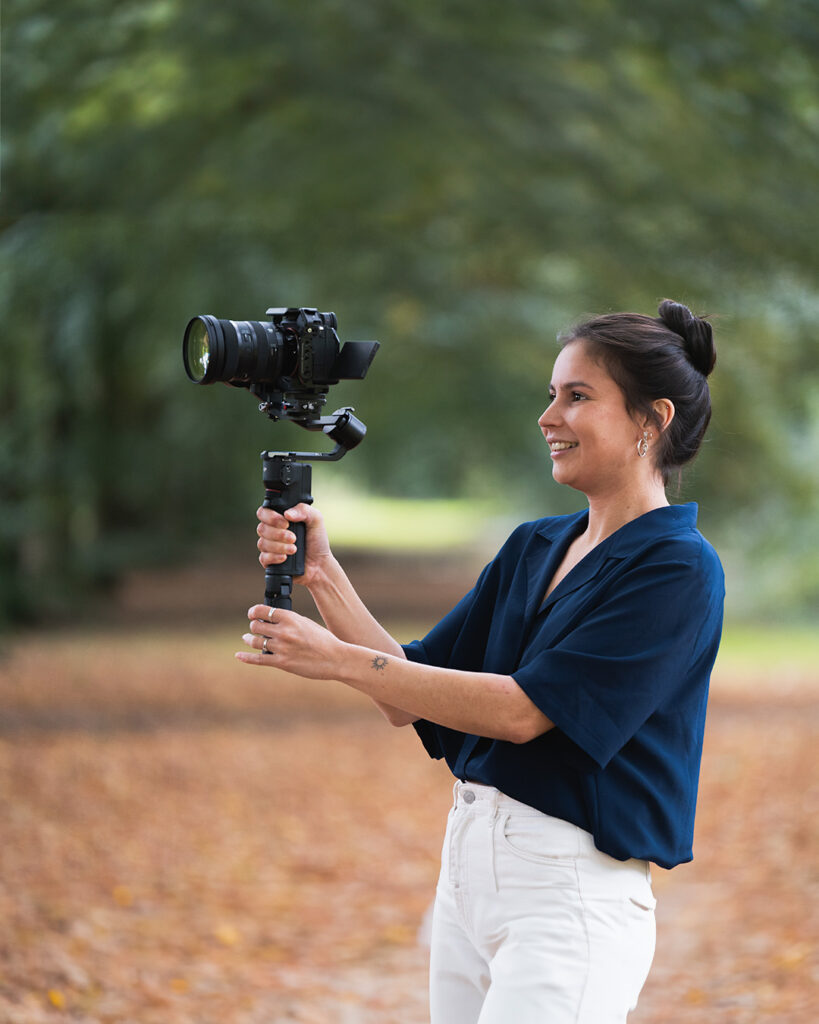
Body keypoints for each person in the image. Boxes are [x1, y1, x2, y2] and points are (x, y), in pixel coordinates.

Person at [236, 299, 725, 1023]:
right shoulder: (535, 545)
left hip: (568, 894)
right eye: (550, 394)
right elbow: (408, 690)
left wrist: (336, 661)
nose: (547, 416)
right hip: (465, 874)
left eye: (577, 396)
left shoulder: (676, 568)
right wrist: (323, 576)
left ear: (651, 421)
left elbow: (524, 711)